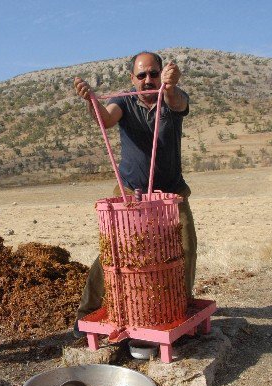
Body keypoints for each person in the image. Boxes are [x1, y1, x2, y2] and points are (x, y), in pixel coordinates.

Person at [72, 51, 197, 336]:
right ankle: (88, 313)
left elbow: (177, 102)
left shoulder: (172, 96)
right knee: (115, 254)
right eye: (142, 75)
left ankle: (177, 310)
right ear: (132, 79)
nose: (148, 80)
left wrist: (172, 86)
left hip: (172, 195)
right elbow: (105, 119)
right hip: (131, 194)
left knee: (185, 250)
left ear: (163, 73)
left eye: (154, 73)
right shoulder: (125, 100)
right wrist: (91, 100)